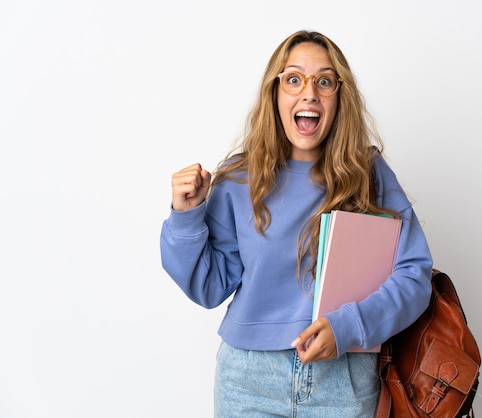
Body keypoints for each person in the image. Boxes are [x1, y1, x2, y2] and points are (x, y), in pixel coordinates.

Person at [160, 30, 433, 417]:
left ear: (340, 98)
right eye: (293, 79)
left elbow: (414, 275)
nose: (309, 93)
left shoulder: (368, 173)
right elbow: (209, 288)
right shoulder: (239, 178)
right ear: (275, 94)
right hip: (248, 383)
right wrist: (186, 217)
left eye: (325, 81)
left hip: (344, 380)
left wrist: (348, 327)